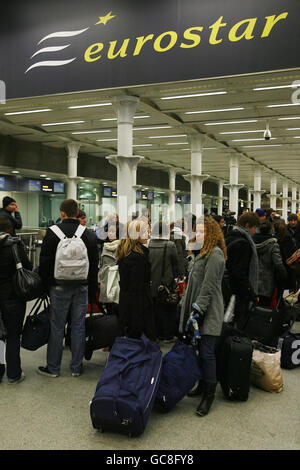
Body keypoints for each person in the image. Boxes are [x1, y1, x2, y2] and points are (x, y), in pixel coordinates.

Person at [38, 199, 99, 378]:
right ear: (77, 212)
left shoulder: (52, 233)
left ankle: (53, 368)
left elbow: (45, 263)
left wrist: (44, 287)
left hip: (58, 286)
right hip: (81, 285)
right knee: (78, 325)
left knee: (57, 326)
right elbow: (94, 264)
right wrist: (93, 288)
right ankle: (76, 367)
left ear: (62, 213)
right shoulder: (86, 233)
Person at [180, 217, 226, 417]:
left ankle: (209, 394)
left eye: (202, 232)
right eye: (196, 231)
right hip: (196, 308)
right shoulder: (199, 254)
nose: (198, 235)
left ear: (212, 234)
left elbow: (208, 287)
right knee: (198, 349)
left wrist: (197, 310)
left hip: (208, 310)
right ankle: (201, 384)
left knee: (207, 352)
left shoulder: (215, 254)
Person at [0, 215, 32, 384]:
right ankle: (13, 374)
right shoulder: (14, 245)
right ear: (9, 229)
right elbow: (27, 267)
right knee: (13, 336)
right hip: (12, 298)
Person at [116, 219, 156, 341]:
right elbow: (137, 286)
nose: (147, 234)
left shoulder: (125, 253)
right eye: (144, 231)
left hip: (126, 302)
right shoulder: (137, 257)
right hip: (138, 306)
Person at [224, 212, 260, 330]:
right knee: (236, 326)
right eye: (254, 227)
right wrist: (251, 293)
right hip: (237, 293)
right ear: (248, 225)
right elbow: (239, 273)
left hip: (226, 289)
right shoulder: (243, 244)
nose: (255, 231)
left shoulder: (229, 237)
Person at [149, 221, 179, 342]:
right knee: (168, 311)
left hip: (151, 283)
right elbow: (175, 264)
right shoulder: (170, 245)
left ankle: (155, 333)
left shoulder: (148, 244)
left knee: (154, 310)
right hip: (166, 283)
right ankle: (167, 335)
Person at [253, 221, 286, 307]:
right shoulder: (273, 245)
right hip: (267, 281)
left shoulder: (251, 242)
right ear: (270, 231)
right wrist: (283, 274)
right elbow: (278, 263)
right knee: (265, 307)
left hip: (253, 280)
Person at [98, 223, 120, 316]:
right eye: (109, 231)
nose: (110, 234)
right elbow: (100, 264)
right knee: (108, 309)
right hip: (105, 281)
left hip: (117, 282)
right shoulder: (104, 246)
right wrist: (99, 281)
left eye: (113, 231)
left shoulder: (123, 246)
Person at [274, 218, 297, 293]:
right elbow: (292, 250)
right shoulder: (288, 236)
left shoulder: (274, 238)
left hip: (278, 266)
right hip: (288, 265)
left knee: (278, 289)